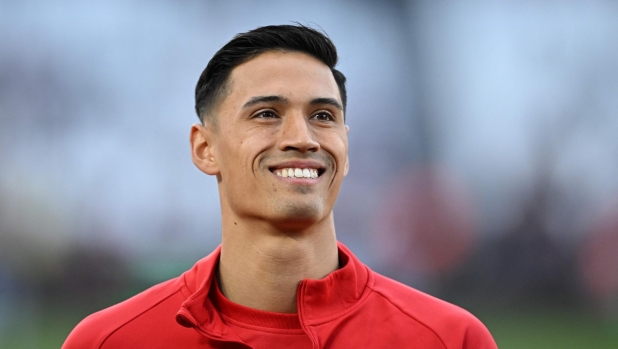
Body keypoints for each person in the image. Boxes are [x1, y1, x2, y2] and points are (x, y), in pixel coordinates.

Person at [62, 24, 497, 349]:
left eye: (323, 116)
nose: (303, 138)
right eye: (267, 113)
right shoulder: (109, 341)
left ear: (346, 145)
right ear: (204, 148)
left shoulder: (449, 338)